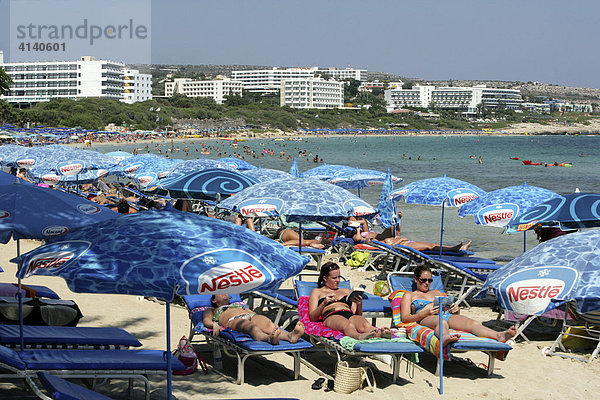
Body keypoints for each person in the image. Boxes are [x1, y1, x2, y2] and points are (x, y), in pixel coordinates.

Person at [400, 265, 516, 347]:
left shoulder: (437, 293)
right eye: (423, 280)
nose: (427, 283)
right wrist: (424, 313)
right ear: (416, 279)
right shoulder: (409, 295)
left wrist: (456, 310)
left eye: (430, 280)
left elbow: (451, 310)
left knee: (472, 323)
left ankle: (499, 335)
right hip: (426, 318)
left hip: (446, 315)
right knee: (441, 322)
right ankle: (445, 337)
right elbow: (405, 318)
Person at [308, 262, 390, 339]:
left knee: (365, 325)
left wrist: (359, 304)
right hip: (332, 315)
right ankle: (359, 336)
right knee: (347, 325)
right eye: (334, 278)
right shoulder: (317, 292)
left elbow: (357, 314)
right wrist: (324, 303)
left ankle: (381, 334)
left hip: (349, 314)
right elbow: (312, 317)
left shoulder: (346, 291)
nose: (338, 280)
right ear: (325, 278)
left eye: (339, 277)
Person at [202, 294, 305, 344]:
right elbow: (206, 320)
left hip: (250, 315)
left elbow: (252, 313)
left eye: (226, 292)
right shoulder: (212, 310)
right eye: (221, 292)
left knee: (268, 323)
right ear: (214, 300)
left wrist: (257, 318)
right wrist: (214, 324)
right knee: (251, 327)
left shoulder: (238, 305)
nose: (225, 293)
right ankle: (268, 338)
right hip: (234, 320)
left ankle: (289, 336)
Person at [348, 216, 471, 252]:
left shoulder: (368, 232)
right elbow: (358, 239)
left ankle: (456, 248)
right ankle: (455, 249)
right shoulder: (360, 236)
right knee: (430, 246)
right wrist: (357, 229)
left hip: (403, 242)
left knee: (431, 245)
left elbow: (363, 220)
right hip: (404, 245)